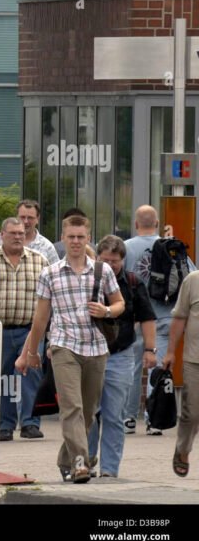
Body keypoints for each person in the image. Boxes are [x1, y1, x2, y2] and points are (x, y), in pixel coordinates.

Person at [16, 215, 124, 483]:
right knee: (72, 408)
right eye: (71, 237)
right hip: (64, 346)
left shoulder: (103, 270)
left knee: (88, 411)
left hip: (96, 347)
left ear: (88, 238)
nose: (75, 241)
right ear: (63, 239)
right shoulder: (50, 273)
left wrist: (107, 310)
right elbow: (41, 318)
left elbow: (120, 303)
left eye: (80, 237)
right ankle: (80, 463)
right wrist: (31, 352)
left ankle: (65, 459)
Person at [0, 217, 49, 441]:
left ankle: (30, 423)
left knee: (31, 374)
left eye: (21, 233)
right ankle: (4, 425)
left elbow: (48, 296)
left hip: (31, 329)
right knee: (1, 378)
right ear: (1, 235)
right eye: (13, 233)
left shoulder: (40, 261)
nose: (18, 237)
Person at [122, 205, 195, 435]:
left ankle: (128, 418)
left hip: (134, 318)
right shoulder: (171, 246)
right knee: (159, 366)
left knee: (132, 368)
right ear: (157, 224)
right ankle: (154, 419)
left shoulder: (125, 248)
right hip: (164, 317)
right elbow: (191, 277)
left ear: (136, 224)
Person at [88, 235, 156, 478]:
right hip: (89, 353)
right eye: (105, 260)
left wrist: (150, 349)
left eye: (114, 261)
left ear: (123, 260)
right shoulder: (86, 279)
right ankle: (86, 461)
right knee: (89, 413)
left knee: (114, 415)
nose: (109, 265)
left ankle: (109, 470)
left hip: (121, 354)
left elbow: (147, 317)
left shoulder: (133, 282)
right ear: (96, 258)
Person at [164, 270, 199, 477]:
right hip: (194, 359)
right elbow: (179, 318)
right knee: (192, 412)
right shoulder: (193, 280)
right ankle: (183, 450)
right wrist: (170, 351)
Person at [0, 199, 59, 264]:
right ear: (16, 217)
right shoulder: (0, 239)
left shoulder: (47, 246)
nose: (26, 221)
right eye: (22, 217)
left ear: (37, 219)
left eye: (30, 218)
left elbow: (56, 274)